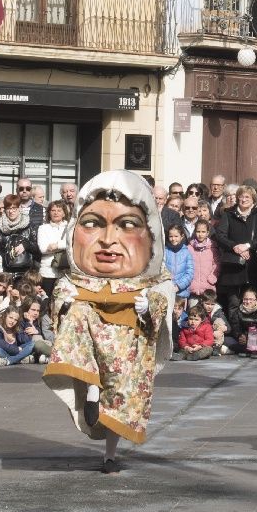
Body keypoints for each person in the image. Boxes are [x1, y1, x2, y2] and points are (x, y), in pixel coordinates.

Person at [43, 170, 175, 474]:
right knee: (77, 313)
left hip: (129, 339)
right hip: (91, 335)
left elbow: (165, 294)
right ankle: (92, 388)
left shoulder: (155, 278)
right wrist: (67, 299)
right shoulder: (74, 280)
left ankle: (110, 456)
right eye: (92, 224)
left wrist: (150, 304)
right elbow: (61, 294)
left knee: (119, 396)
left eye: (127, 225)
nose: (107, 240)